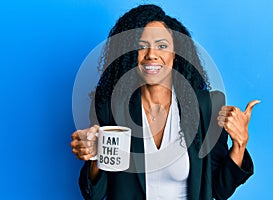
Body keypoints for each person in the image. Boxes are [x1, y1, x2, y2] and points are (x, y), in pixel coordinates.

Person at [70, 4, 260, 200]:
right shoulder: (110, 107)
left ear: (176, 53)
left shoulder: (206, 107)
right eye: (142, 46)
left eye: (162, 46)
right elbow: (95, 194)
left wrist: (240, 144)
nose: (151, 54)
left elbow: (219, 190)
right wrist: (94, 157)